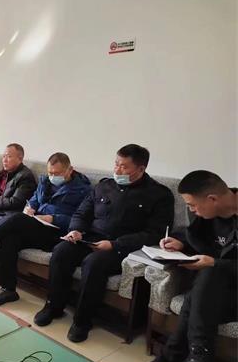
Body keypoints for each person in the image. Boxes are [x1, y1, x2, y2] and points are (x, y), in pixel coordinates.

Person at [33, 144, 174, 343]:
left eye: (124, 166)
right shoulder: (104, 186)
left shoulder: (159, 195)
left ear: (141, 169)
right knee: (62, 250)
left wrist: (115, 244)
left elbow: (154, 234)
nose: (117, 170)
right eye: (116, 164)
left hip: (122, 248)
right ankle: (53, 307)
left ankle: (82, 321)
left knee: (94, 263)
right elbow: (82, 213)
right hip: (90, 238)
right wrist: (76, 230)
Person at [130, 171, 237, 362]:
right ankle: (197, 354)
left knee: (203, 283)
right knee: (200, 290)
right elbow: (197, 239)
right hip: (215, 289)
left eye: (192, 205)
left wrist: (215, 264)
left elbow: (215, 262)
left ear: (212, 199)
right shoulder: (208, 216)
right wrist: (181, 244)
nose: (191, 210)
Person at [0, 153, 91, 305]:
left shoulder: (82, 190)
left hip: (57, 233)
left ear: (70, 170)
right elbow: (34, 200)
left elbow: (81, 220)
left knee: (17, 218)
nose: (53, 177)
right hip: (36, 224)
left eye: (57, 173)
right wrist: (30, 208)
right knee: (10, 237)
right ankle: (8, 289)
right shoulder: (45, 182)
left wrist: (53, 218)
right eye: (50, 172)